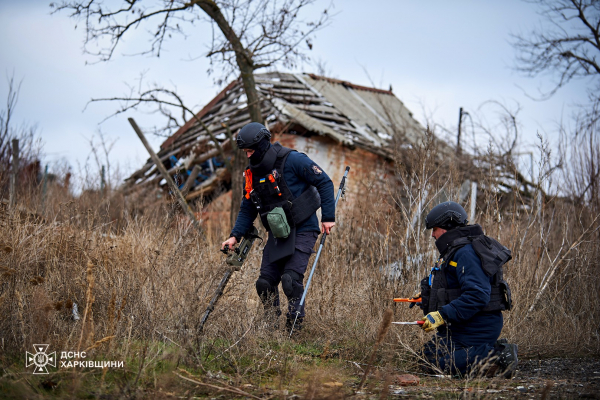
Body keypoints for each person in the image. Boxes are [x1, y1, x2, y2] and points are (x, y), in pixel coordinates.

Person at [221, 122, 335, 331]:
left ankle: (294, 330)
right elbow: (248, 208)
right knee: (264, 284)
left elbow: (325, 182)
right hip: (277, 233)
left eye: (250, 151)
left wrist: (328, 216)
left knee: (290, 281)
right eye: (245, 152)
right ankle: (271, 328)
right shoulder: (252, 174)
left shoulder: (293, 160)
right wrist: (234, 236)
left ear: (263, 145)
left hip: (303, 228)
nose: (248, 156)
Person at [416, 201, 518, 377]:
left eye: (435, 229)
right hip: (463, 325)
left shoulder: (466, 253)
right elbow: (455, 289)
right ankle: (484, 352)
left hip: (478, 325)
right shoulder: (456, 250)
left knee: (437, 363)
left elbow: (478, 295)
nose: (432, 235)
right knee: (426, 357)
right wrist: (427, 297)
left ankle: (498, 356)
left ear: (448, 226)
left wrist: (442, 315)